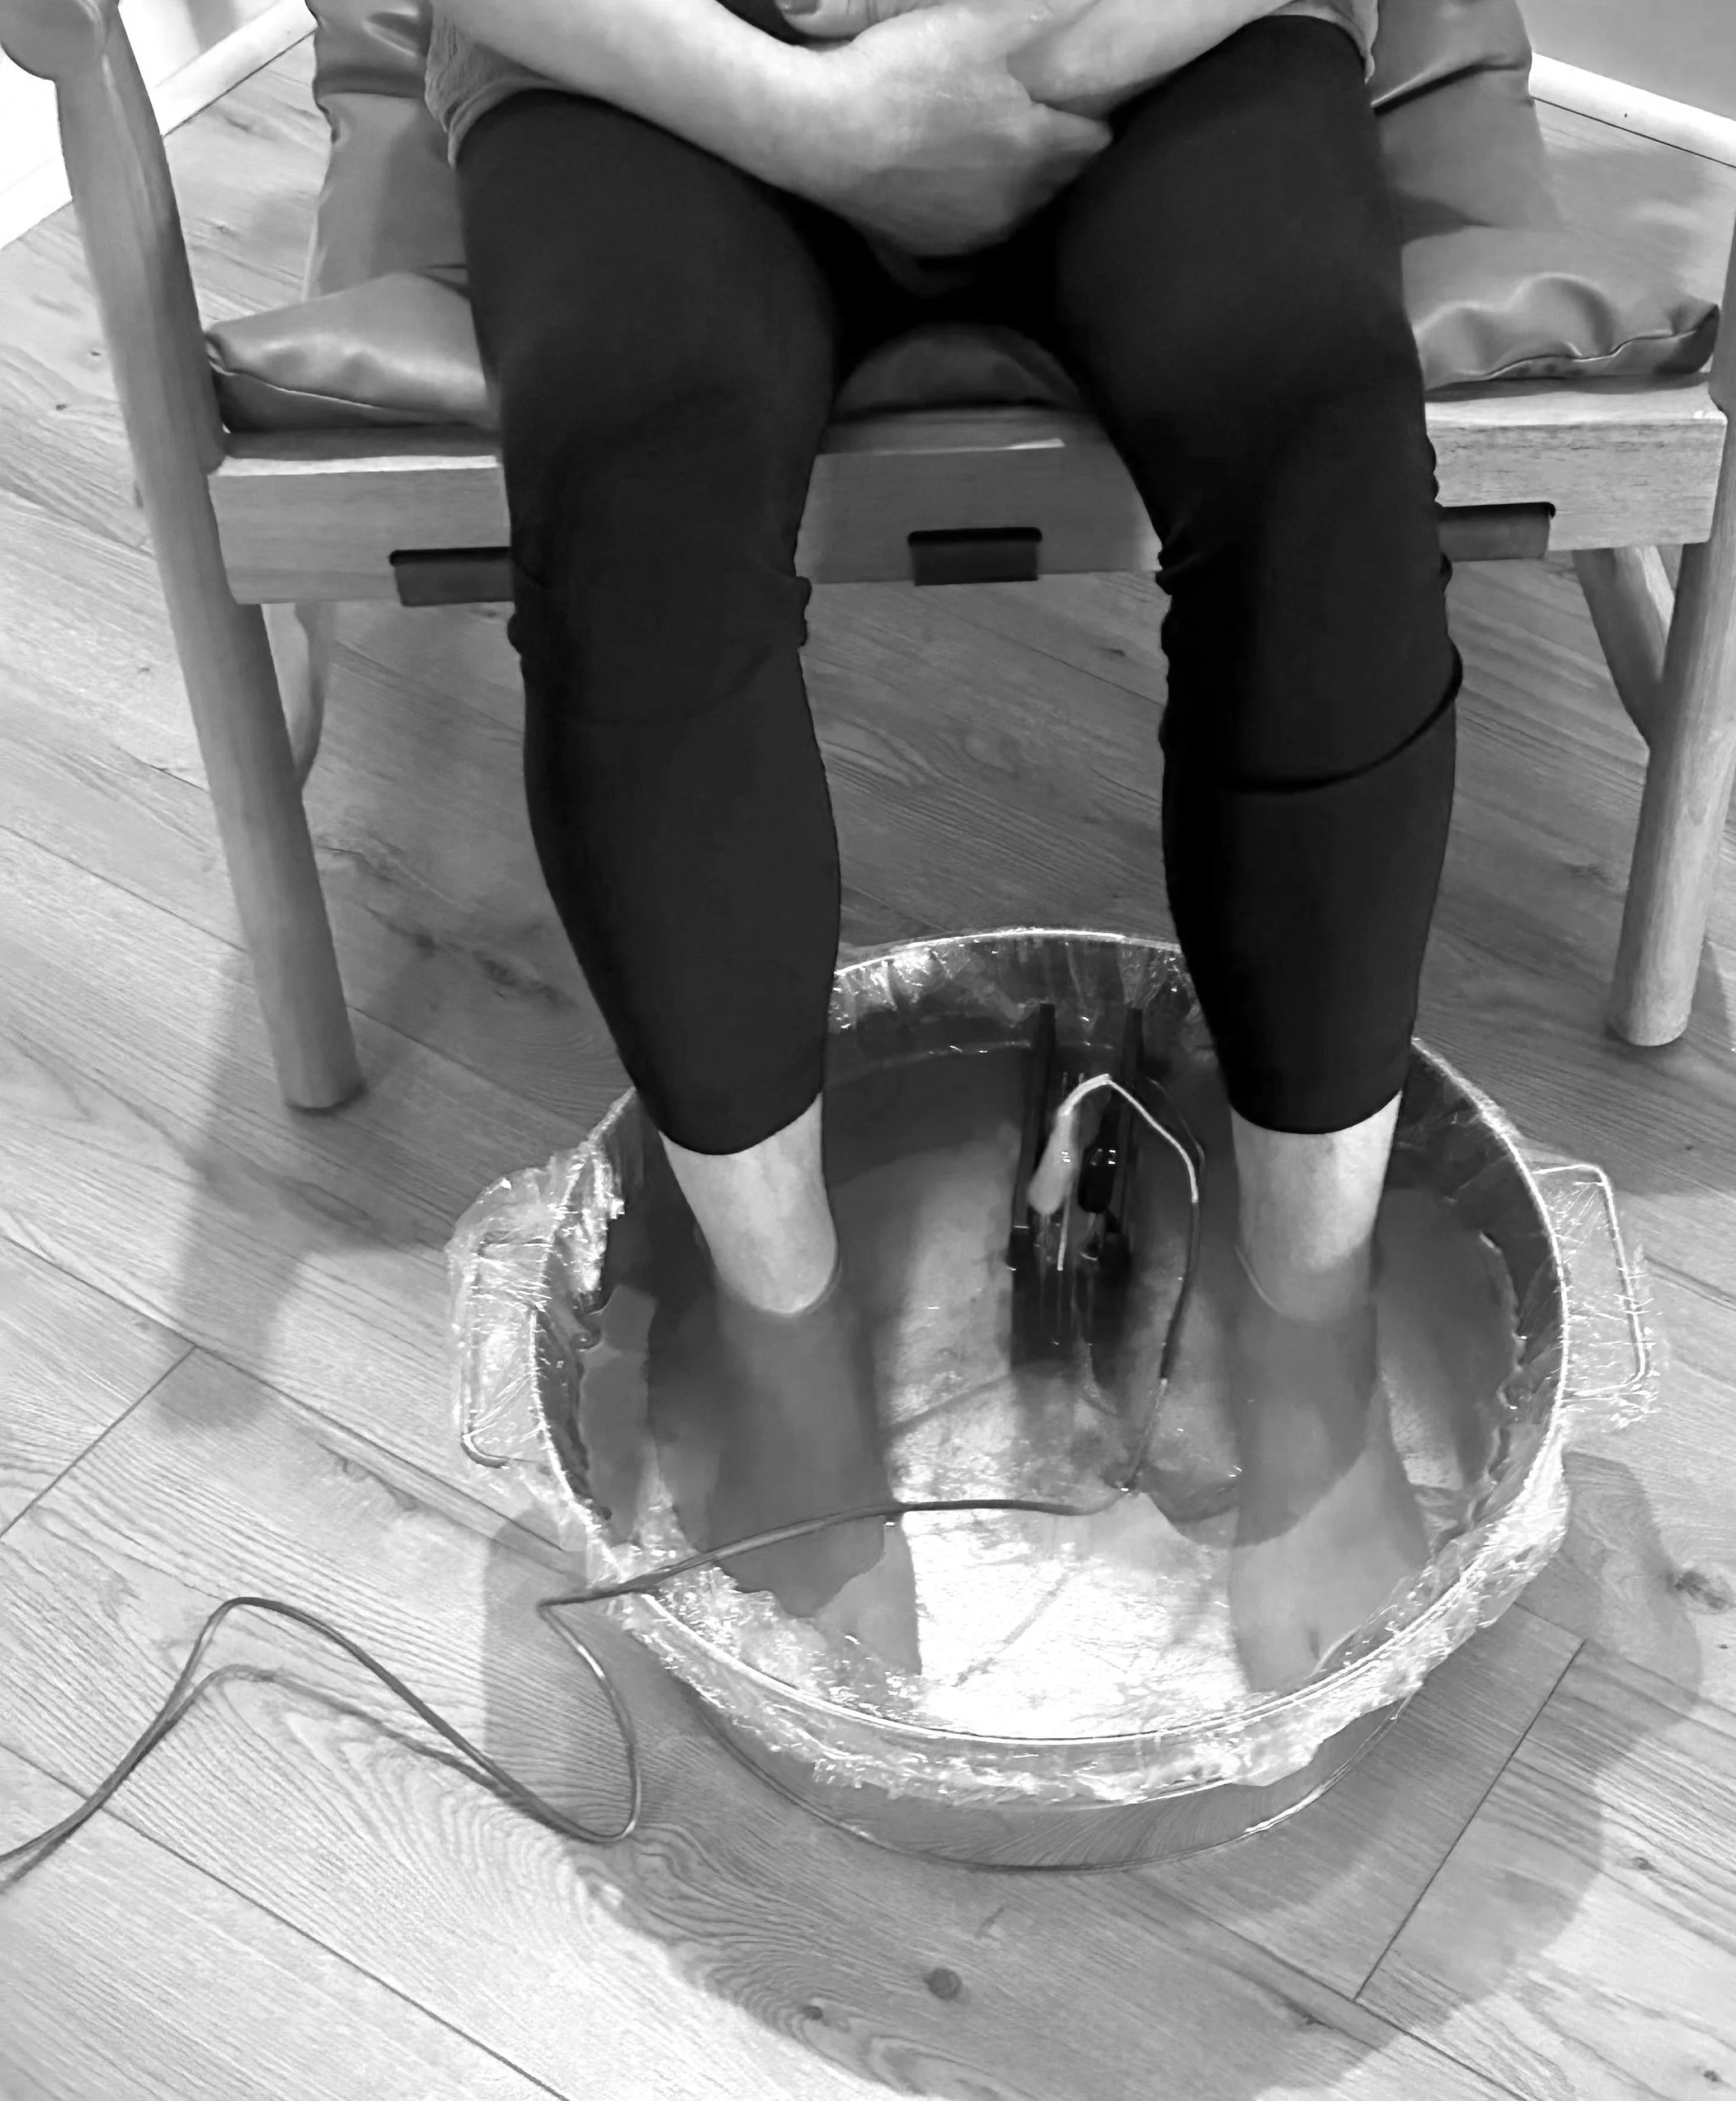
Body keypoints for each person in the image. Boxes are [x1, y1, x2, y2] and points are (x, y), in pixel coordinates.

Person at [430, 0, 1461, 1688]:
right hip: (644, 59)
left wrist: (1006, 62)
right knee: (635, 444)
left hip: (1161, 34)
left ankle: (1314, 1324)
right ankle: (781, 1350)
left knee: (1310, 398)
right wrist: (809, 115)